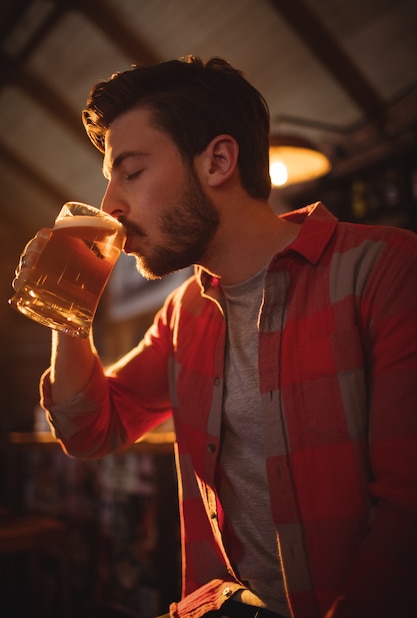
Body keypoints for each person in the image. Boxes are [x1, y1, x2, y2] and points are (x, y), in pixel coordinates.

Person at [12, 56, 417, 618]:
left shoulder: (387, 269)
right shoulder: (185, 313)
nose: (109, 207)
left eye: (130, 172)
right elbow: (89, 431)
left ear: (219, 161)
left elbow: (408, 512)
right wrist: (68, 315)